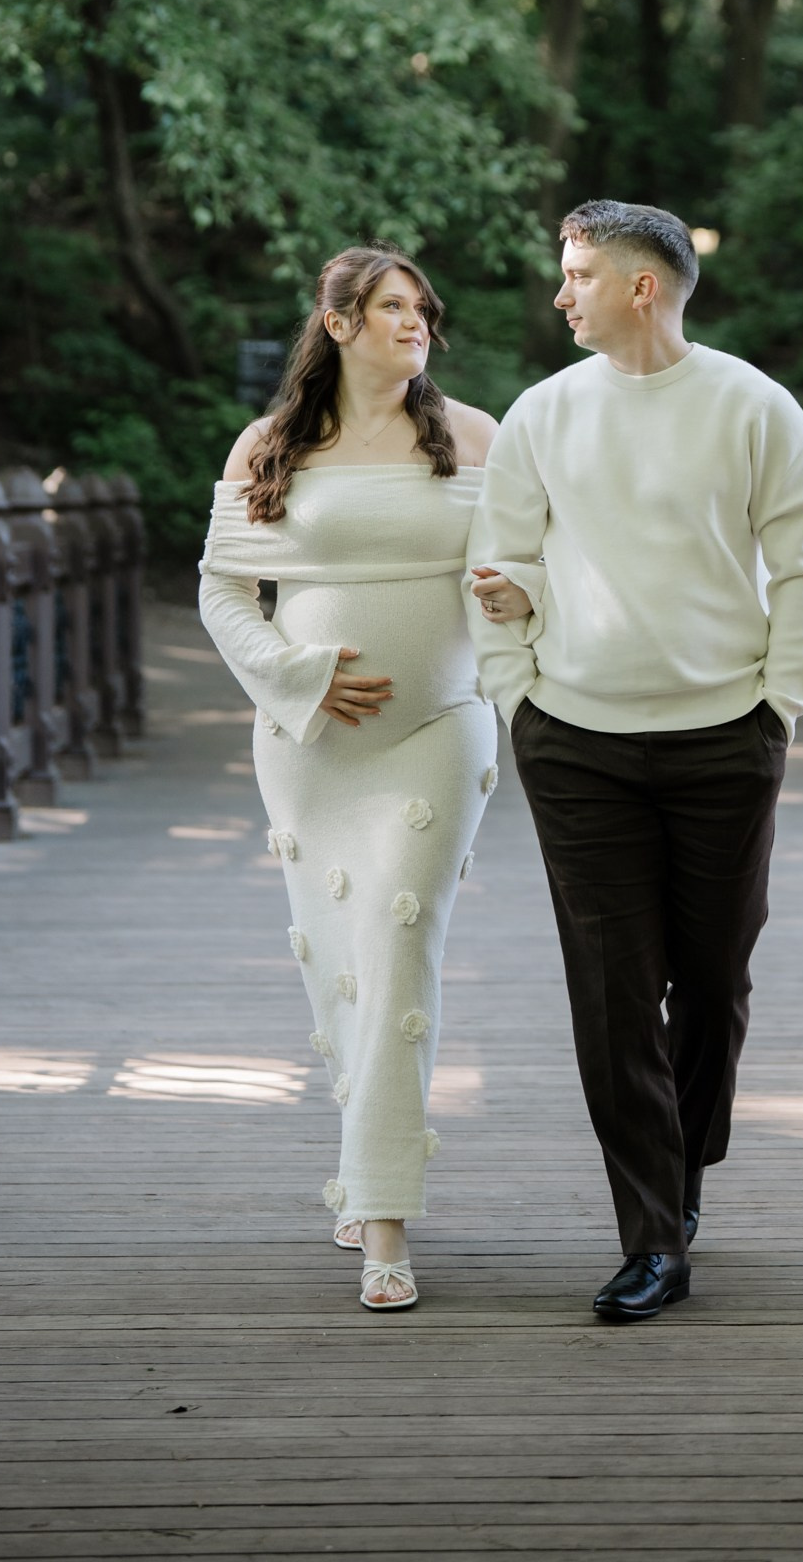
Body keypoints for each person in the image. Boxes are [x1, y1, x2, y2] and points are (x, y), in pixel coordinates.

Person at [466, 198, 803, 1323]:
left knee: (711, 983)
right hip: (574, 744)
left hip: (727, 739)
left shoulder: (752, 408)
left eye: (576, 274)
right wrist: (513, 690)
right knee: (616, 994)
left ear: (640, 286)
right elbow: (498, 560)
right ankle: (651, 1236)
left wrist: (778, 707)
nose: (558, 293)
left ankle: (676, 1177)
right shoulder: (541, 414)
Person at [199, 247, 500, 1312]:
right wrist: (299, 675)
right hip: (309, 746)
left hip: (438, 730)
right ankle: (359, 1157)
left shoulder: (472, 437)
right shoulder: (270, 444)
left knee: (397, 939)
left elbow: (526, 568)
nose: (411, 324)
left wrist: (510, 602)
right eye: (388, 309)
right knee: (339, 960)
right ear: (335, 323)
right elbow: (224, 592)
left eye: (419, 310)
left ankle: (383, 1217)